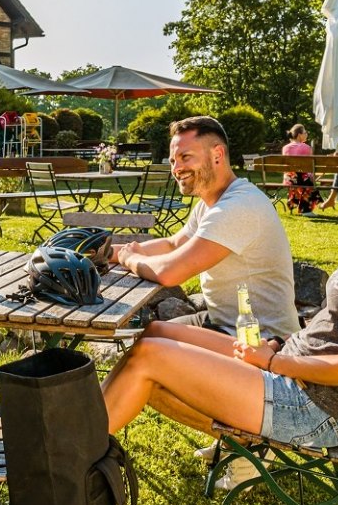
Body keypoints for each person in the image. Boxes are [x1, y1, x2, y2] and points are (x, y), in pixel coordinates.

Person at [101, 116, 338, 464]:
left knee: (149, 359)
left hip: (315, 407)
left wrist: (276, 362)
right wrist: (280, 349)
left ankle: (70, 457)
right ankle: (78, 443)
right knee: (155, 334)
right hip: (291, 369)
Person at [112, 116, 300, 341]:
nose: (177, 168)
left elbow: (171, 271)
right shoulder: (210, 204)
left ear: (217, 155)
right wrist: (109, 252)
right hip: (223, 323)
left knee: (151, 343)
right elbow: (173, 244)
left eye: (185, 157)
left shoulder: (239, 205)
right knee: (149, 337)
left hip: (261, 340)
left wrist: (130, 260)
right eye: (173, 161)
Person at [281, 124, 319, 215]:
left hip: (289, 178)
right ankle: (306, 209)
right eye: (305, 132)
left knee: (304, 178)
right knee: (308, 180)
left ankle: (293, 202)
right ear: (299, 135)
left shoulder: (285, 148)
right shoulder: (306, 148)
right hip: (301, 179)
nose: (307, 134)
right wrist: (313, 176)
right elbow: (309, 166)